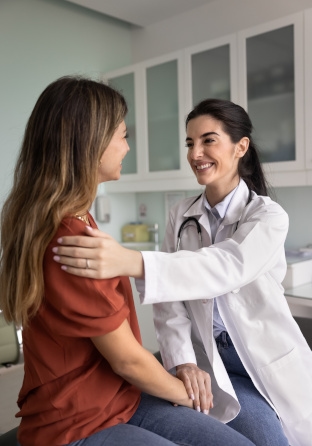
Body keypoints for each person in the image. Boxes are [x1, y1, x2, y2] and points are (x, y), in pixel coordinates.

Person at [0, 80, 256, 446]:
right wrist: (188, 392)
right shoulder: (69, 237)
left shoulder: (78, 220)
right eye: (122, 135)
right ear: (89, 142)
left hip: (117, 397)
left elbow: (226, 267)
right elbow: (129, 360)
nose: (127, 146)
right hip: (77, 419)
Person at [52, 98, 312, 446]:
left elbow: (226, 266)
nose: (195, 153)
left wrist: (133, 261)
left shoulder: (268, 217)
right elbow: (170, 303)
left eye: (208, 140)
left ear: (241, 147)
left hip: (264, 359)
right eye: (190, 142)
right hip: (212, 361)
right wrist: (183, 361)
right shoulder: (180, 213)